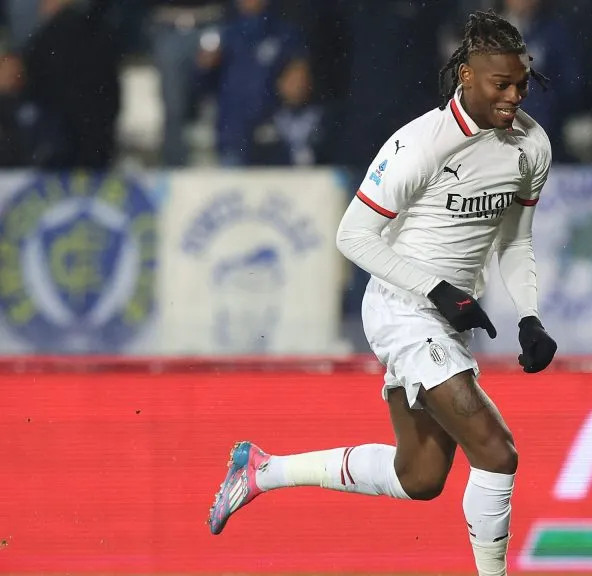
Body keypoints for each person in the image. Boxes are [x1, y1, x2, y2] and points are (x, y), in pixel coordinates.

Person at [206, 10, 558, 576]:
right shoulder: (420, 145)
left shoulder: (530, 146)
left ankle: (261, 471)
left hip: (449, 314)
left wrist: (530, 318)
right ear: (466, 76)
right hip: (403, 307)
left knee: (418, 477)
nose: (515, 96)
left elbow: (515, 242)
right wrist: (437, 290)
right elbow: (352, 236)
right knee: (497, 451)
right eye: (502, 84)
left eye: (521, 83)